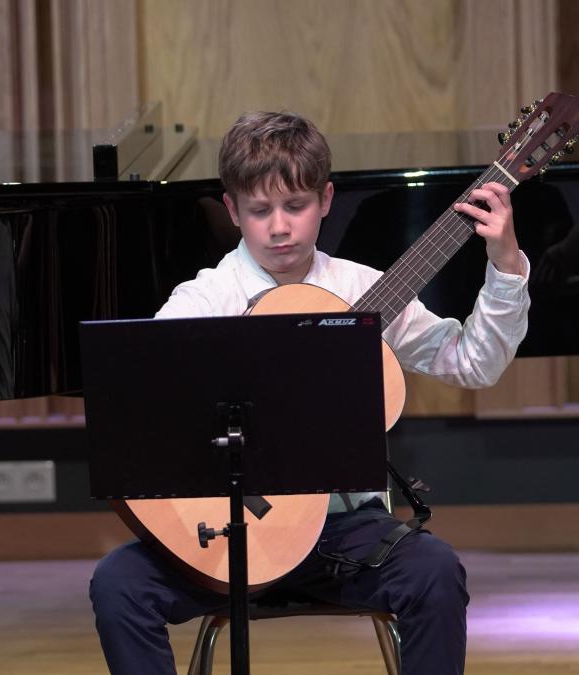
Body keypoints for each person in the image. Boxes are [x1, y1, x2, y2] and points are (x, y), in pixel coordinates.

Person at [88, 111, 529, 675]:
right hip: (228, 533)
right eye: (259, 211)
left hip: (343, 536)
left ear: (325, 199)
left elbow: (473, 363)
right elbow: (145, 408)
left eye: (295, 206)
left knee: (435, 572)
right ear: (231, 210)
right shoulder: (203, 301)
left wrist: (505, 265)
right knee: (119, 583)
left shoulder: (362, 288)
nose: (279, 227)